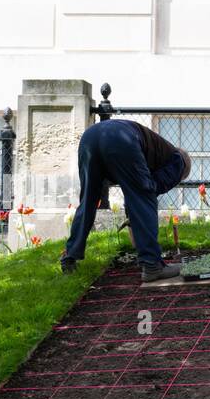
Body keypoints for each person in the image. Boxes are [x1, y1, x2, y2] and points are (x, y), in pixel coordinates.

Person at [59, 119, 193, 282]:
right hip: (120, 139)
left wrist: (133, 214)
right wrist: (136, 215)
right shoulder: (179, 161)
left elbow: (134, 190)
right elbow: (148, 190)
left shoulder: (157, 151)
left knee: (88, 200)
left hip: (90, 137)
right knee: (145, 196)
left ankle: (69, 257)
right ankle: (152, 265)